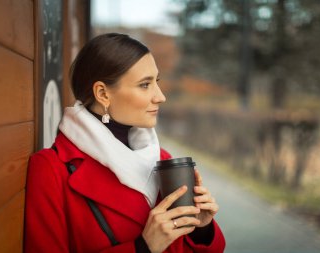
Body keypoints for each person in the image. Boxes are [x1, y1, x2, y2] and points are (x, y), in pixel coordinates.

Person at [24, 33, 226, 253]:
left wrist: (201, 229)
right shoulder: (52, 170)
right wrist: (142, 248)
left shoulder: (163, 160)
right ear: (102, 93)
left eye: (156, 82)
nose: (160, 96)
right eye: (144, 85)